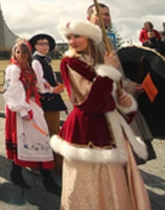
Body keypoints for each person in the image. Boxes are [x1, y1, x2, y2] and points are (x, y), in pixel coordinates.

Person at [51, 20, 150, 209]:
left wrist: (124, 103)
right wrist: (107, 72)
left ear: (89, 39)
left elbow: (108, 98)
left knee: (116, 182)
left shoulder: (98, 62)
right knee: (89, 184)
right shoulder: (70, 63)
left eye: (77, 36)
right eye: (69, 37)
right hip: (86, 131)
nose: (72, 41)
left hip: (109, 127)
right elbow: (87, 102)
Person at [87, 3, 156, 163]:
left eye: (107, 14)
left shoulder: (107, 41)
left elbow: (118, 72)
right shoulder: (89, 42)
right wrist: (127, 87)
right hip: (106, 103)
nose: (105, 18)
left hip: (120, 97)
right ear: (89, 18)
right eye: (99, 14)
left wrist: (130, 85)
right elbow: (96, 73)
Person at [3, 40, 60, 195]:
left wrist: (52, 89)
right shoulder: (13, 69)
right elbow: (12, 92)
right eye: (17, 52)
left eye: (23, 52)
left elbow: (39, 86)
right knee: (25, 140)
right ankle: (33, 175)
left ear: (28, 54)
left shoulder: (32, 66)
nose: (20, 55)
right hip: (21, 108)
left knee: (41, 138)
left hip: (34, 105)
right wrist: (22, 110)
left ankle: (40, 175)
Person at [29, 33, 66, 174]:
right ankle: (55, 165)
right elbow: (39, 82)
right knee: (51, 132)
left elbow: (45, 78)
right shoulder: (36, 61)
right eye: (41, 44)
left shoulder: (44, 60)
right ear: (36, 46)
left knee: (52, 131)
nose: (45, 46)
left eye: (46, 44)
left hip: (51, 98)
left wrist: (54, 84)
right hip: (47, 100)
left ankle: (51, 163)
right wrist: (52, 90)